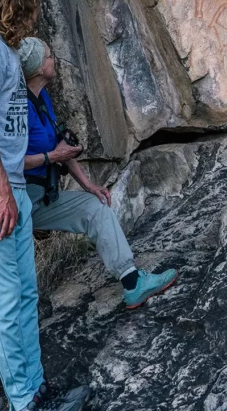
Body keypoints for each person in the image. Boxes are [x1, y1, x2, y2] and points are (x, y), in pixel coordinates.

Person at [0, 0, 86, 411]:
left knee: (24, 297)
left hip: (13, 187)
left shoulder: (9, 54)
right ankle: (22, 407)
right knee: (4, 303)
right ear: (18, 5)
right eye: (31, 5)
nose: (36, 12)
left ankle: (35, 393)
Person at [18, 37, 178, 309]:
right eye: (48, 56)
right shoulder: (18, 107)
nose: (53, 59)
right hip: (19, 202)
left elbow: (60, 145)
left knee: (95, 206)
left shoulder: (41, 98)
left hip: (43, 197)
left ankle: (132, 284)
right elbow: (9, 162)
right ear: (35, 68)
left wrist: (89, 185)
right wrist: (52, 156)